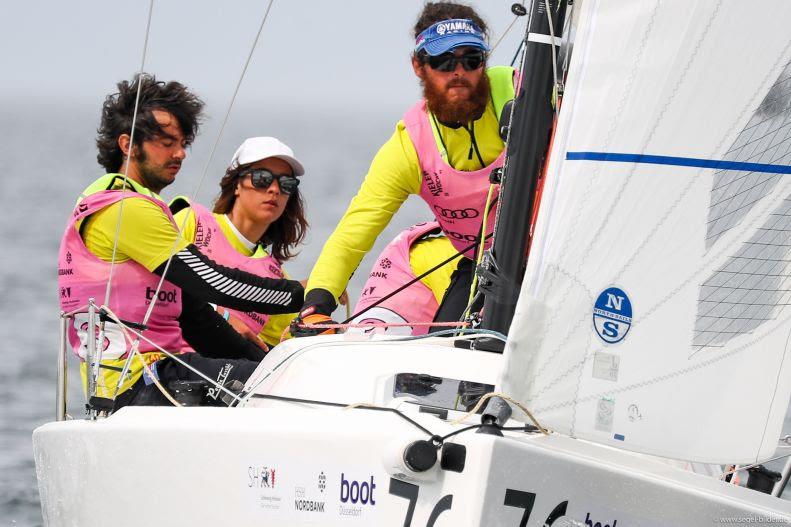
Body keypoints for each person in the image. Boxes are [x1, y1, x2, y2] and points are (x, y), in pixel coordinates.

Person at [58, 74, 304, 410]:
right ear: (128, 144)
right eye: (166, 142)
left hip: (166, 370)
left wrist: (274, 361)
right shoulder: (122, 208)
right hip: (139, 382)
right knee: (288, 390)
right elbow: (213, 283)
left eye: (183, 142)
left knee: (284, 377)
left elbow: (195, 316)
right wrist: (302, 294)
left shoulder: (141, 207)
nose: (181, 153)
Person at [298, 2, 517, 332]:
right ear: (419, 65)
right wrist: (316, 305)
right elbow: (353, 232)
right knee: (441, 357)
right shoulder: (410, 146)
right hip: (484, 267)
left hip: (552, 255)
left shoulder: (521, 89)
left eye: (471, 59)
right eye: (444, 61)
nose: (459, 72)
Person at [171, 137, 308, 348]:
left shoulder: (277, 278)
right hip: (164, 361)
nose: (274, 189)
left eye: (286, 183)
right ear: (237, 184)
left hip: (224, 377)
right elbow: (155, 285)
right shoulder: (191, 220)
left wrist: (325, 288)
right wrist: (223, 318)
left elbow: (293, 344)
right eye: (262, 178)